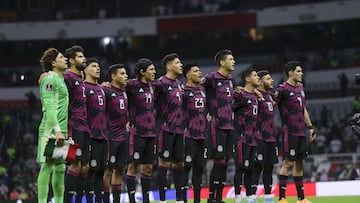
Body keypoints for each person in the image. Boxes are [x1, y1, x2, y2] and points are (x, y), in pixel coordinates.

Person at [273, 61, 316, 203]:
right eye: (298, 71)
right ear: (290, 72)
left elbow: (303, 109)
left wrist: (310, 127)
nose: (301, 73)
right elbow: (271, 105)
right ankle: (282, 198)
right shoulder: (282, 89)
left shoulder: (301, 88)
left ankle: (301, 198)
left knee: (300, 164)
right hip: (288, 132)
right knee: (287, 164)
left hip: (301, 132)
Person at [37, 48, 68, 203]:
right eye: (62, 57)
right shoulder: (49, 79)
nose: (66, 59)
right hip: (51, 130)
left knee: (61, 167)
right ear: (54, 62)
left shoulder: (62, 79)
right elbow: (48, 107)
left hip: (63, 130)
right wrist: (57, 131)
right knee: (47, 165)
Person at [203, 49, 235, 203]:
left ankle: (219, 198)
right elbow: (197, 91)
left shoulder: (230, 78)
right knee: (219, 160)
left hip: (230, 124)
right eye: (230, 59)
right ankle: (211, 198)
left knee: (226, 162)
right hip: (218, 124)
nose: (233, 61)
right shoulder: (211, 78)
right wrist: (206, 112)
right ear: (222, 62)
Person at [153, 53, 185, 203]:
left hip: (179, 130)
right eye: (178, 63)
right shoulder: (160, 84)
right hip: (165, 129)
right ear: (169, 66)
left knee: (179, 164)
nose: (181, 65)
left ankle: (179, 200)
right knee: (163, 163)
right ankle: (162, 200)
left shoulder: (179, 84)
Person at [125, 58, 157, 203]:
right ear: (142, 72)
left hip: (151, 132)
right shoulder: (131, 85)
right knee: (133, 166)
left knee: (148, 168)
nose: (154, 71)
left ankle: (145, 200)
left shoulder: (153, 86)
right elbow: (116, 92)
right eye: (151, 69)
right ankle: (132, 200)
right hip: (137, 132)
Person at [63, 45, 89, 203]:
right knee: (73, 165)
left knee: (83, 166)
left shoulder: (81, 78)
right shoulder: (67, 77)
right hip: (72, 127)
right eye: (80, 57)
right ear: (71, 60)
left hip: (85, 127)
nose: (84, 59)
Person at [232, 68, 260, 203]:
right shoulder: (240, 95)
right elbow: (227, 106)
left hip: (252, 138)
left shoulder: (255, 96)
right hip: (240, 137)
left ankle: (249, 197)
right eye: (255, 75)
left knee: (250, 169)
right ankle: (237, 197)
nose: (258, 77)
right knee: (240, 168)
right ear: (247, 79)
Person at [103, 64, 129, 203]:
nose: (126, 76)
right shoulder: (105, 91)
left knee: (119, 170)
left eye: (126, 73)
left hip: (123, 136)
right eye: (122, 73)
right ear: (113, 76)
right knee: (107, 171)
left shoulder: (125, 91)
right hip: (110, 136)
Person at [83, 58, 108, 203]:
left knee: (100, 173)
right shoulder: (83, 88)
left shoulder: (102, 89)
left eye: (98, 66)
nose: (97, 68)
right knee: (88, 172)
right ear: (85, 70)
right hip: (89, 135)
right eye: (93, 66)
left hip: (103, 136)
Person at [182, 62, 207, 203]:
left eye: (199, 70)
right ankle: (183, 200)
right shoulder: (182, 90)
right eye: (196, 71)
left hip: (202, 135)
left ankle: (197, 201)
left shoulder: (203, 89)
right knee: (186, 168)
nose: (199, 73)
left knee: (199, 169)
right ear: (188, 75)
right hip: (188, 135)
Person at [252, 70, 278, 203]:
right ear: (260, 82)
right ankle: (252, 197)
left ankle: (268, 197)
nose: (272, 80)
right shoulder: (254, 96)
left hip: (271, 138)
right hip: (258, 137)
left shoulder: (270, 96)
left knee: (269, 168)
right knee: (257, 168)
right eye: (268, 79)